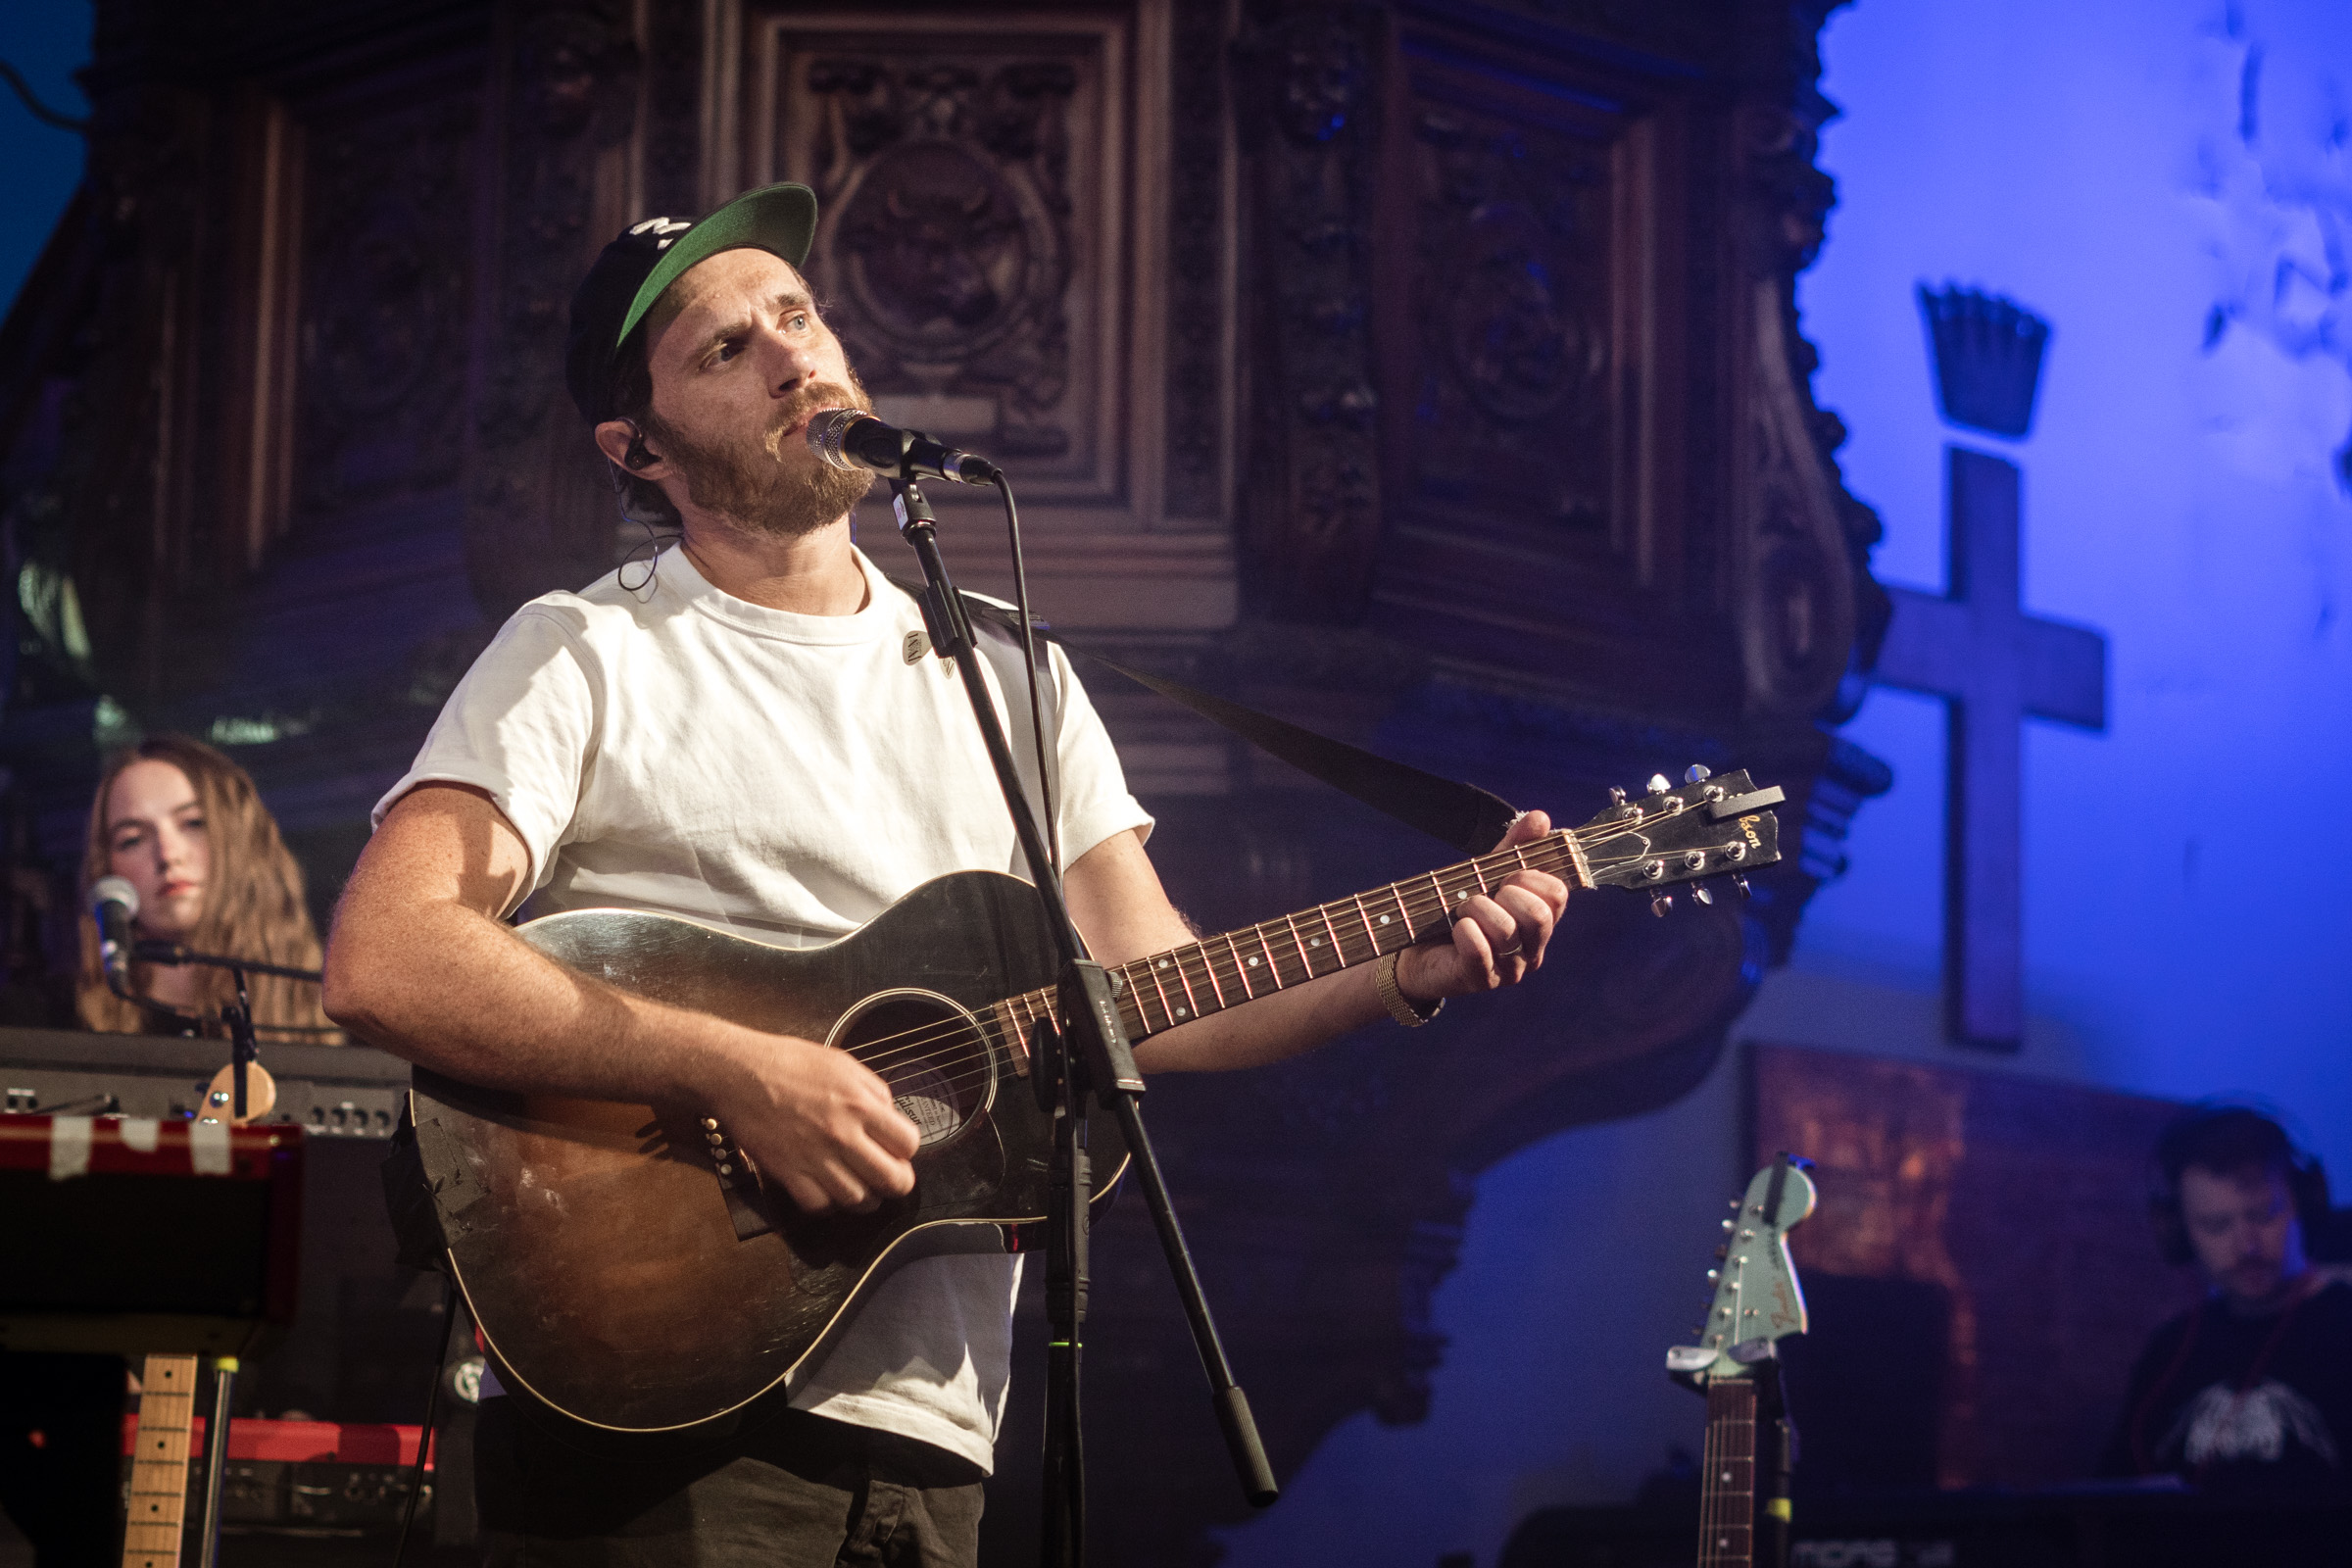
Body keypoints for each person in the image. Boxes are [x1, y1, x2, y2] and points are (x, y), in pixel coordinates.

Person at [321, 182, 1568, 1566]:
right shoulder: (585, 652)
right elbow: (389, 956)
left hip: (935, 1436)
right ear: (639, 446)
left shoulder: (1012, 674)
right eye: (727, 348)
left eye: (797, 315)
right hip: (657, 1413)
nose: (794, 359)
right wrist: (737, 1072)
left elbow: (1150, 992)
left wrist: (1403, 966)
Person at [2101, 1105, 2352, 1496]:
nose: (2246, 1246)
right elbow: (2112, 1498)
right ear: (2181, 1234)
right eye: (2216, 1225)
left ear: (2304, 1205)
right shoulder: (2169, 1351)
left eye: (2263, 1215)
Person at [77, 733, 336, 1042]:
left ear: (242, 838)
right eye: (132, 839)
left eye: (194, 823)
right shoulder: (56, 1018)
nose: (168, 854)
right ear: (106, 866)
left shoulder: (337, 1002)